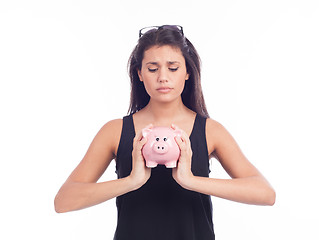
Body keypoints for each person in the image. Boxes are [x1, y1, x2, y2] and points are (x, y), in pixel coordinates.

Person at [54, 25, 276, 240]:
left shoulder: (211, 131)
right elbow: (63, 201)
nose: (162, 77)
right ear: (140, 74)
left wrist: (190, 180)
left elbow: (265, 193)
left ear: (188, 72)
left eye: (173, 68)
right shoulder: (115, 131)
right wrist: (132, 181)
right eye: (152, 68)